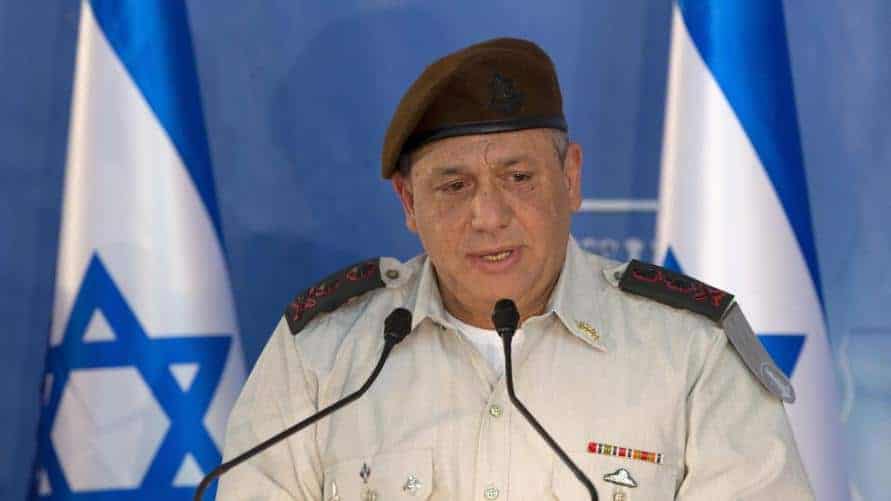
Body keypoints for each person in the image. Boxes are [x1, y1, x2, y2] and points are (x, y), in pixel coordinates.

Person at [218, 37, 814, 500]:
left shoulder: (692, 352)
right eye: (454, 186)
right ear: (408, 202)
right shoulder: (322, 356)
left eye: (519, 177)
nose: (489, 216)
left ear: (571, 177)